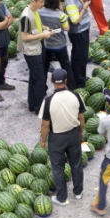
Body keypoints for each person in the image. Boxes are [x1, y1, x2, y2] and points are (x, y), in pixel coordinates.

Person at [38, 68, 85, 205]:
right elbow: (81, 118)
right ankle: (78, 193)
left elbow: (45, 124)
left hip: (57, 138)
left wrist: (43, 139)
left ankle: (62, 198)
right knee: (76, 164)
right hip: (74, 134)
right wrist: (81, 131)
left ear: (52, 81)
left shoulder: (48, 101)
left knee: (58, 168)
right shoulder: (76, 96)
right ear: (66, 81)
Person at [19, 0, 53, 113]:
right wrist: (42, 35)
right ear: (33, 1)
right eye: (41, 2)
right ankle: (39, 107)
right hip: (32, 51)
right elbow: (25, 37)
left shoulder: (35, 11)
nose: (43, 4)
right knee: (39, 79)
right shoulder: (26, 16)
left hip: (38, 47)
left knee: (34, 77)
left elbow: (35, 27)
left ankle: (32, 104)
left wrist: (43, 28)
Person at [65, 0, 92, 91]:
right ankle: (78, 82)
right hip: (78, 32)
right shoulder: (71, 1)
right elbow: (75, 20)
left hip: (82, 30)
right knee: (80, 57)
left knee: (80, 56)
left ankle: (79, 77)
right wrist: (84, 8)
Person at [39, 0, 70, 79]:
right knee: (66, 66)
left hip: (45, 44)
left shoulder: (39, 12)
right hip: (59, 45)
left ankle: (42, 89)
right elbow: (66, 28)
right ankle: (72, 87)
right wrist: (62, 10)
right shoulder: (60, 15)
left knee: (44, 67)